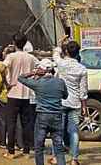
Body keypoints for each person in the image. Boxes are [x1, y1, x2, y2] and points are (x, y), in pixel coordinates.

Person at [17, 58, 67, 165]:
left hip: (42, 116)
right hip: (57, 116)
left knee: (39, 146)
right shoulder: (60, 82)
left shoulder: (38, 83)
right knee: (58, 147)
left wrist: (33, 72)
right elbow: (65, 96)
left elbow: (20, 78)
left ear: (42, 70)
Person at [4, 32, 39, 159]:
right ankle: (27, 150)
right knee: (27, 124)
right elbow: (40, 69)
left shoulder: (11, 56)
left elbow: (2, 68)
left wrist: (6, 83)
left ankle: (11, 151)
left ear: (14, 43)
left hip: (13, 92)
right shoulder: (31, 58)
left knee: (11, 123)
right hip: (28, 93)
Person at [53, 37, 88, 165]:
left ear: (66, 51)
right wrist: (84, 107)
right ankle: (74, 159)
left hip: (61, 102)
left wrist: (60, 44)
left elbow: (55, 53)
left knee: (58, 130)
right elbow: (83, 91)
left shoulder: (61, 64)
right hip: (75, 103)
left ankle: (57, 157)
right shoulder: (82, 69)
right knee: (73, 131)